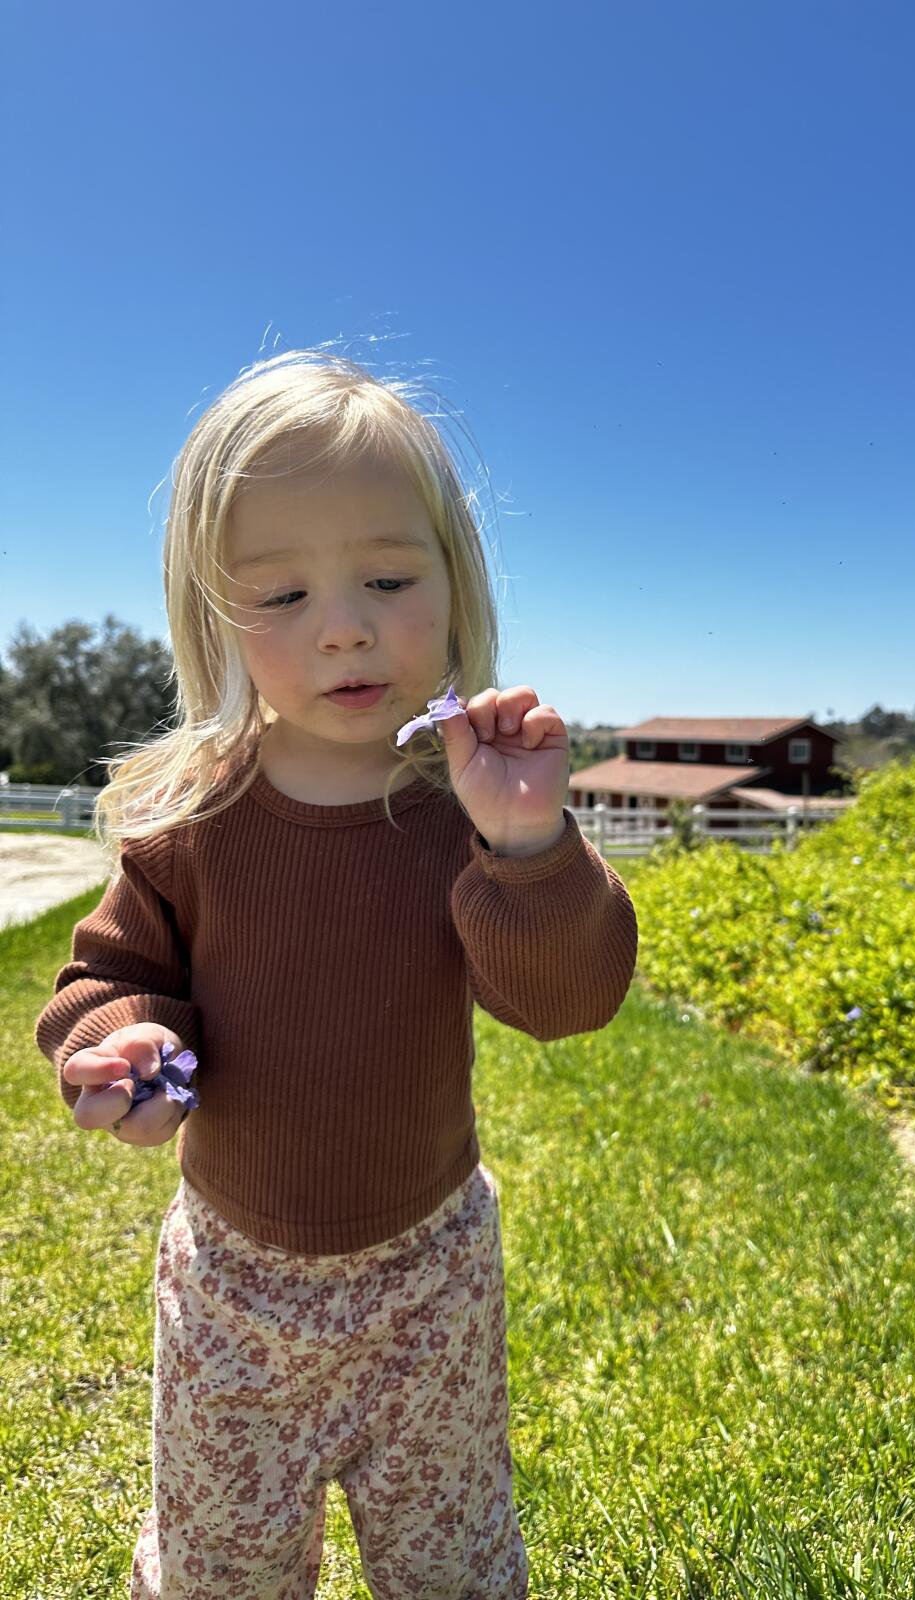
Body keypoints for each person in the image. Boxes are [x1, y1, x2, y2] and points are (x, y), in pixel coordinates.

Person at [34, 349, 639, 1599]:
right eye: (284, 593)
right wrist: (123, 1043)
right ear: (214, 615)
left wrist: (528, 846)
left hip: (431, 1276)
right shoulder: (192, 824)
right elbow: (111, 974)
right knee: (222, 1570)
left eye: (386, 576)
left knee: (452, 1565)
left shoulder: (455, 811)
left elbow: (568, 1001)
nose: (347, 623)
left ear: (454, 583)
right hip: (233, 1285)